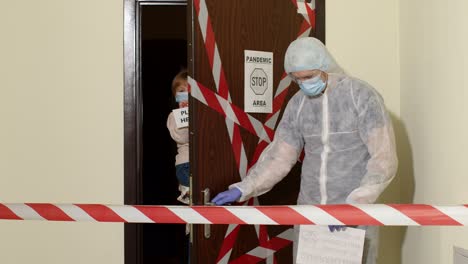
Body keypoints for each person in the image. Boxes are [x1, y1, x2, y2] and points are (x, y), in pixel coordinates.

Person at [211, 37, 398, 264]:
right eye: (297, 80)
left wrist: (355, 205)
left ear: (325, 66)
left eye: (309, 77)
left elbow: (383, 159)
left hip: (354, 216)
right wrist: (245, 188)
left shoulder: (361, 97)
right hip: (311, 213)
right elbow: (279, 156)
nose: (304, 84)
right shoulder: (298, 105)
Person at [167, 69, 190, 205]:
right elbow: (181, 137)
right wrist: (184, 115)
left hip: (199, 163)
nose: (185, 95)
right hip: (185, 164)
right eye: (181, 91)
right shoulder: (173, 116)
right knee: (193, 200)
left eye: (188, 91)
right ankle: (186, 194)